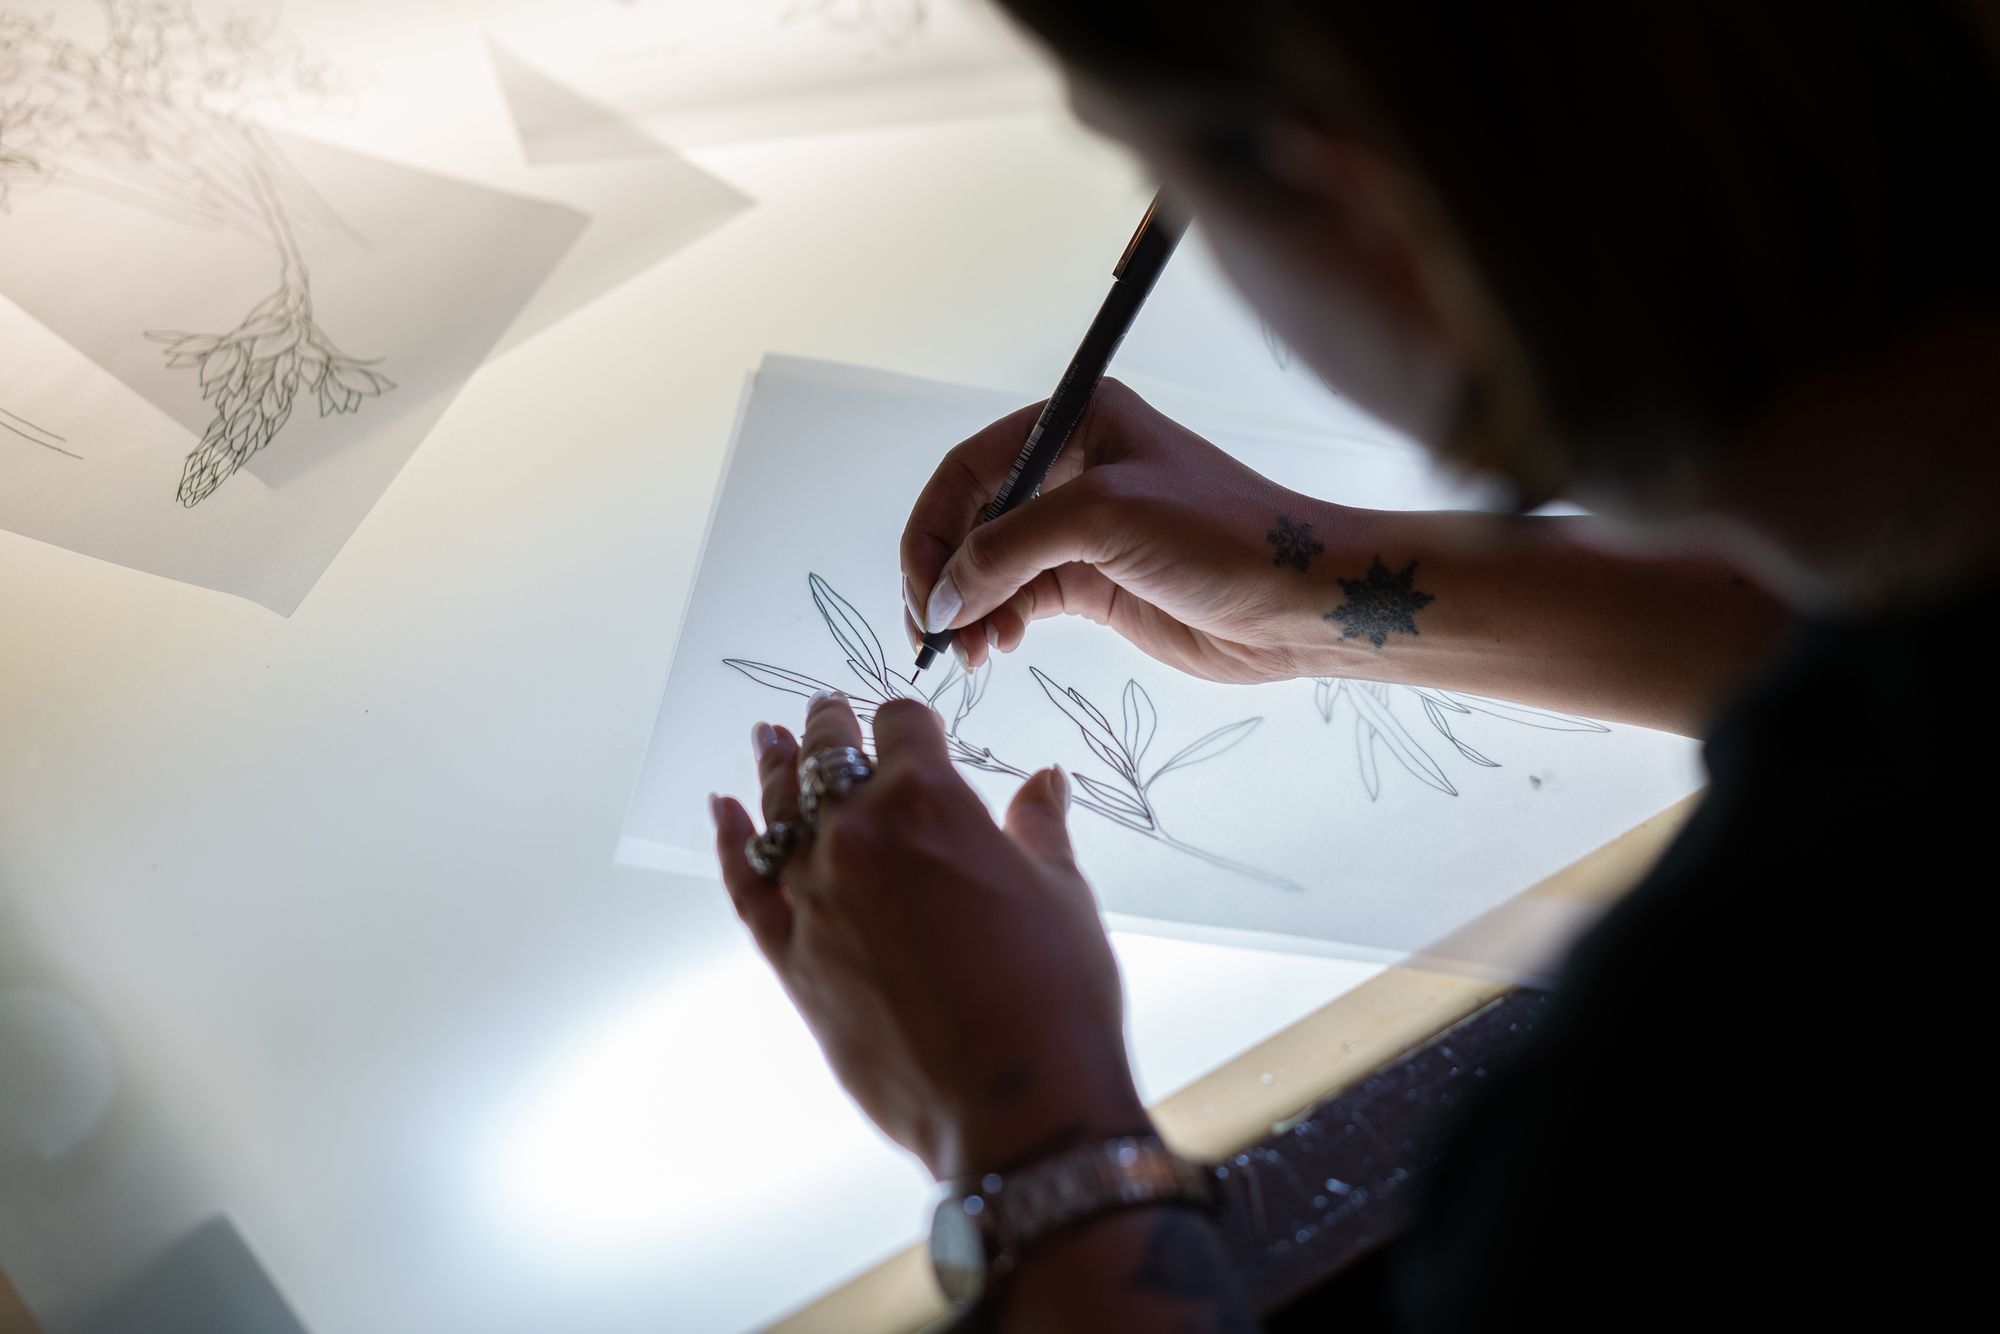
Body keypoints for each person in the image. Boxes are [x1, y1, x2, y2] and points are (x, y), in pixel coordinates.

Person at [709, 3, 1999, 1328]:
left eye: (1173, 188)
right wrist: (1314, 588)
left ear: (1346, 181)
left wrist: (1026, 1117)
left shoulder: (1685, 1103)